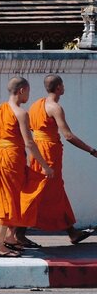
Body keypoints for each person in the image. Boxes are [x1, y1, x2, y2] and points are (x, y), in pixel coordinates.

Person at [17, 74, 95, 247]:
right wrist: (91, 150)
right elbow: (67, 135)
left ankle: (72, 232)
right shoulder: (55, 107)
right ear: (58, 87)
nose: (64, 88)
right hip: (48, 153)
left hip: (39, 149)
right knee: (38, 190)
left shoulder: (37, 104)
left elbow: (31, 128)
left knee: (56, 190)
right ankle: (18, 231)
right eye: (63, 85)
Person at [0, 77, 54, 257]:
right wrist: (45, 166)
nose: (29, 96)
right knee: (7, 199)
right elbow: (29, 143)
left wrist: (6, 141)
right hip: (12, 157)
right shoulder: (20, 113)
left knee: (14, 196)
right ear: (22, 90)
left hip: (0, 155)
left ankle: (10, 238)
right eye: (28, 92)